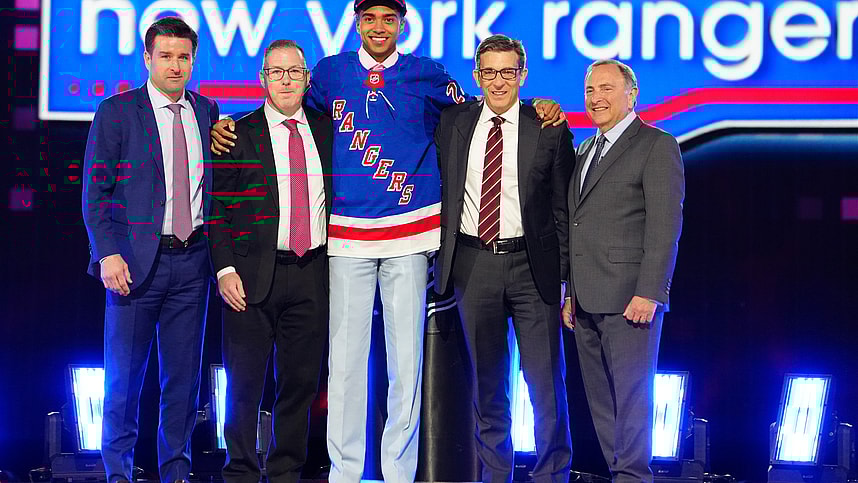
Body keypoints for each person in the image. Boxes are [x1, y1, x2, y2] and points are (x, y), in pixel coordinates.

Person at [210, 2, 563, 481]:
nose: (379, 27)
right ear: (357, 23)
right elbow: (284, 108)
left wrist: (537, 105)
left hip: (411, 235)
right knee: (345, 365)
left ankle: (398, 472)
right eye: (370, 19)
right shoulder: (329, 73)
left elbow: (485, 107)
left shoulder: (428, 74)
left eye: (389, 19)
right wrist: (229, 122)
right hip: (347, 237)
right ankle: (345, 472)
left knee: (406, 366)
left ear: (402, 24)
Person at [81, 16, 219, 483]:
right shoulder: (117, 111)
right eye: (166, 56)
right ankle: (118, 475)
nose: (175, 66)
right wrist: (107, 253)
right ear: (147, 58)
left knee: (183, 382)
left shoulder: (206, 110)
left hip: (193, 263)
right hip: (134, 266)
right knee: (123, 382)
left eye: (183, 57)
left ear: (193, 61)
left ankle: (176, 472)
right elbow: (95, 193)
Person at [434, 34, 574, 483]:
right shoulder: (452, 122)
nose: (499, 82)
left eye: (508, 72)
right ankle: (496, 476)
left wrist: (565, 278)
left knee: (545, 385)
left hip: (534, 268)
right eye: (490, 72)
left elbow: (563, 209)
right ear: (476, 77)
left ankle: (551, 475)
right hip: (473, 265)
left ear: (522, 75)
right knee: (488, 387)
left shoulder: (548, 126)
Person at [209, 39, 332, 483]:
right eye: (276, 72)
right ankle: (240, 472)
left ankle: (285, 473)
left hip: (312, 274)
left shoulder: (327, 130)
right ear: (263, 78)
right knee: (243, 386)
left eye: (294, 72)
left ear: (307, 79)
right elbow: (217, 209)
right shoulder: (236, 133)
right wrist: (225, 270)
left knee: (299, 386)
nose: (285, 80)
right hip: (249, 278)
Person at [562, 59, 685, 483]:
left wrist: (650, 291)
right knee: (601, 400)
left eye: (607, 88)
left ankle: (633, 477)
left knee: (632, 399)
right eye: (590, 90)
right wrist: (570, 292)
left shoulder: (656, 145)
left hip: (631, 298)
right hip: (585, 298)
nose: (596, 98)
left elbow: (665, 226)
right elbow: (578, 223)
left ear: (632, 94)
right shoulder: (585, 149)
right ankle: (620, 474)